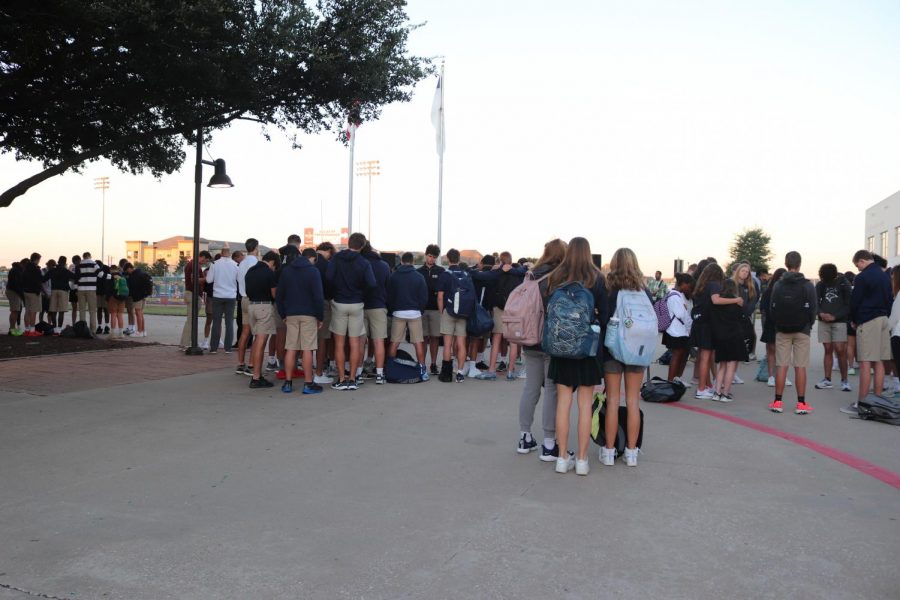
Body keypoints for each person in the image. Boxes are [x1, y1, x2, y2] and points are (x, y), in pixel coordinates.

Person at [547, 237, 608, 475]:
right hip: (588, 350)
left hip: (561, 348)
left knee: (563, 404)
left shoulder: (556, 277)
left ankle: (562, 458)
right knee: (584, 405)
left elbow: (548, 312)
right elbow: (604, 316)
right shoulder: (597, 279)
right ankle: (582, 460)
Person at [516, 238, 566, 460]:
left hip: (529, 337)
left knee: (530, 388)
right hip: (550, 340)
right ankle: (549, 442)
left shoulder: (531, 275)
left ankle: (525, 437)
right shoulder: (560, 277)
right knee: (552, 389)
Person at [602, 248, 650, 468]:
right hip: (637, 350)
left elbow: (603, 318)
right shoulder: (644, 290)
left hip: (613, 350)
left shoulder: (609, 288)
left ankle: (610, 451)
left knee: (612, 400)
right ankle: (632, 452)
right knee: (633, 401)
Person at [326, 232, 376, 391]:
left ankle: (341, 379)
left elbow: (328, 278)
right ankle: (353, 379)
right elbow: (372, 284)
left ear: (348, 243)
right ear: (362, 246)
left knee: (340, 344)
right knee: (355, 343)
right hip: (357, 303)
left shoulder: (336, 258)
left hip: (339, 303)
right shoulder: (364, 262)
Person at [768, 251, 817, 415]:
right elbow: (813, 308)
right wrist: (808, 324)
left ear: (786, 263)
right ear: (800, 264)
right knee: (800, 366)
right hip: (802, 329)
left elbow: (772, 308)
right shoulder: (807, 285)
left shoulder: (778, 284)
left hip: (782, 329)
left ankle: (777, 401)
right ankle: (801, 403)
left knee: (781, 365)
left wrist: (778, 324)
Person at [844, 250, 892, 414]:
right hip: (883, 319)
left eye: (858, 265)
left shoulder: (863, 277)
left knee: (865, 362)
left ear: (862, 261)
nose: (858, 269)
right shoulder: (884, 275)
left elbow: (855, 300)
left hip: (868, 320)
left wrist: (854, 319)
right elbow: (890, 299)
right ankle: (876, 401)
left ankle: (862, 404)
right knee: (879, 361)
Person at [276, 248, 325, 394]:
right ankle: (308, 383)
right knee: (307, 349)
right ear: (313, 258)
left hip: (291, 314)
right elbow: (318, 296)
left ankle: (288, 383)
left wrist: (283, 314)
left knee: (291, 348)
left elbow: (280, 295)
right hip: (308, 314)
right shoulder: (313, 271)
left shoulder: (287, 271)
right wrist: (320, 316)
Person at [691, 264, 741, 399]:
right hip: (708, 325)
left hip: (698, 324)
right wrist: (735, 300)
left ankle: (704, 386)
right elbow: (716, 300)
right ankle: (701, 389)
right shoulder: (713, 284)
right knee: (706, 358)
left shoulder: (701, 286)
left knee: (702, 357)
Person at [386, 251, 429, 379]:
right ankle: (422, 370)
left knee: (394, 342)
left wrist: (393, 309)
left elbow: (389, 296)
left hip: (398, 312)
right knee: (418, 342)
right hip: (414, 313)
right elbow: (424, 297)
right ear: (413, 262)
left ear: (402, 261)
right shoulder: (419, 276)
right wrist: (419, 310)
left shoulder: (394, 276)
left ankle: (390, 369)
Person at [814, 264, 852, 392]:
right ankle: (827, 379)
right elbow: (815, 302)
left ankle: (845, 380)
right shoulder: (820, 285)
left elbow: (848, 305)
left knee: (840, 350)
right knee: (828, 349)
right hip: (823, 321)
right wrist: (820, 313)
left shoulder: (843, 284)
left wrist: (835, 316)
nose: (826, 282)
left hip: (839, 321)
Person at [436, 248, 472, 383]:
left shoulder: (445, 275)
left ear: (448, 259)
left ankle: (446, 374)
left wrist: (442, 312)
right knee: (461, 344)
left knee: (447, 344)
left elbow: (440, 297)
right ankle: (460, 372)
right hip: (463, 313)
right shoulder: (465, 274)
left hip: (449, 311)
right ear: (459, 258)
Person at [710, 279, 748, 401]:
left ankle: (717, 393)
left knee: (722, 366)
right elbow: (742, 316)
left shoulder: (719, 303)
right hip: (734, 336)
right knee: (731, 367)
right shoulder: (737, 303)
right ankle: (725, 393)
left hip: (721, 337)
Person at [361, 243, 392, 384]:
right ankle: (379, 374)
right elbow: (388, 287)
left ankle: (358, 373)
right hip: (379, 306)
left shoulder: (359, 263)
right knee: (379, 340)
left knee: (360, 342)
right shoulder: (384, 265)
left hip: (360, 306)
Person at [417, 244, 445, 374]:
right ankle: (421, 364)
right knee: (422, 338)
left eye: (434, 257)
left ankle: (433, 364)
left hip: (435, 310)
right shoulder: (418, 271)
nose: (431, 259)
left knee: (434, 338)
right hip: (421, 310)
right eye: (430, 256)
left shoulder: (441, 271)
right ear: (425, 255)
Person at [759, 268, 790, 387]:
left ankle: (783, 376)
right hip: (771, 324)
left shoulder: (788, 291)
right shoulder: (769, 291)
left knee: (783, 353)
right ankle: (771, 376)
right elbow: (763, 308)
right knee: (771, 351)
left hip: (783, 325)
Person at [205, 250, 240, 354]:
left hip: (218, 295)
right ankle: (228, 348)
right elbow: (238, 279)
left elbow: (209, 280)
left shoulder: (215, 264)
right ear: (229, 253)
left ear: (221, 252)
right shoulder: (235, 264)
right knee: (229, 322)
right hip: (231, 296)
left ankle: (214, 348)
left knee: (216, 322)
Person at [235, 238, 260, 376]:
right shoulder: (255, 262)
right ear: (256, 247)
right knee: (256, 333)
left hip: (243, 298)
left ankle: (240, 363)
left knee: (245, 332)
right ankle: (251, 364)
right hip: (253, 299)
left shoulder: (242, 263)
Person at [664, 273, 694, 384]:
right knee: (677, 356)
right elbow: (681, 314)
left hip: (676, 330)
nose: (689, 288)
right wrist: (685, 310)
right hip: (677, 331)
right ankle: (670, 380)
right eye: (689, 285)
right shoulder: (675, 296)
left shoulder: (672, 294)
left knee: (679, 355)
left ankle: (673, 379)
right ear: (684, 284)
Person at [313, 241, 336, 384]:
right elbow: (331, 287)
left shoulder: (309, 261)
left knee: (308, 340)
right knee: (323, 339)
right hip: (323, 303)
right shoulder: (327, 265)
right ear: (328, 251)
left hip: (305, 305)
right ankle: (319, 373)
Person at [732, 262, 759, 380]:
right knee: (733, 346)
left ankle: (733, 373)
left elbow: (754, 300)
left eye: (747, 272)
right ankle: (727, 375)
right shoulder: (732, 284)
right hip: (733, 319)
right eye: (743, 271)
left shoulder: (750, 285)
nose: (745, 273)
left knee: (748, 339)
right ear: (738, 271)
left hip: (745, 317)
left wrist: (747, 311)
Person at [179, 251, 212, 348]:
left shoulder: (192, 264)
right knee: (191, 320)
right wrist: (207, 278)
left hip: (192, 294)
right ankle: (186, 343)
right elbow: (194, 280)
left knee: (191, 320)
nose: (206, 262)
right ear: (202, 257)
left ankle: (189, 342)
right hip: (193, 294)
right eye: (206, 260)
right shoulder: (195, 265)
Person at [75, 252, 105, 334]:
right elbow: (101, 275)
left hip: (81, 289)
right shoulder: (94, 263)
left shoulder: (79, 265)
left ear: (83, 257)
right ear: (90, 256)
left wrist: (75, 288)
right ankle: (93, 330)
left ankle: (82, 329)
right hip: (91, 289)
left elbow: (76, 278)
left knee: (82, 310)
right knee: (92, 311)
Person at [43, 256, 72, 333]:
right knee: (61, 311)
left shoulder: (53, 270)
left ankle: (55, 327)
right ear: (65, 263)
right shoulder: (66, 271)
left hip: (54, 290)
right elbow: (75, 277)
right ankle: (59, 329)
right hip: (63, 291)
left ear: (58, 262)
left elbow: (44, 279)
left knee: (53, 310)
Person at [125, 262, 152, 337]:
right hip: (144, 296)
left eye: (127, 271)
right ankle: (143, 331)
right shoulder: (141, 272)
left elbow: (133, 287)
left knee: (138, 313)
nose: (128, 273)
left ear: (129, 268)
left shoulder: (134, 276)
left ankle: (139, 331)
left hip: (137, 297)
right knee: (141, 313)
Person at [21, 253, 43, 336]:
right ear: (36, 259)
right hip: (33, 292)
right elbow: (41, 279)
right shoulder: (36, 269)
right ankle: (32, 330)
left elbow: (22, 279)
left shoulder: (25, 268)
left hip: (26, 292)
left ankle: (27, 330)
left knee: (27, 311)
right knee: (33, 311)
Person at [107, 265, 128, 338]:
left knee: (113, 314)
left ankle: (112, 333)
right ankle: (121, 333)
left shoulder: (110, 276)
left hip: (113, 298)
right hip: (122, 298)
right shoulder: (122, 277)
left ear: (111, 270)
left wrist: (108, 298)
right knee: (120, 315)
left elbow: (108, 288)